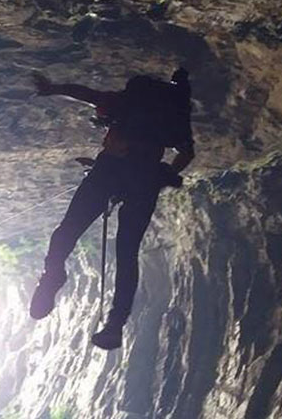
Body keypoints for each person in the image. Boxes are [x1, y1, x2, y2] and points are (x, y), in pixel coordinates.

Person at [28, 68, 196, 349]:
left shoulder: (126, 102)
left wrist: (52, 88)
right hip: (144, 180)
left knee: (67, 230)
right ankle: (116, 323)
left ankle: (53, 272)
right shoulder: (174, 111)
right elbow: (187, 152)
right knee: (126, 253)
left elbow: (86, 94)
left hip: (109, 170)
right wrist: (164, 173)